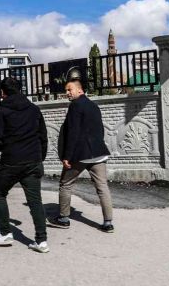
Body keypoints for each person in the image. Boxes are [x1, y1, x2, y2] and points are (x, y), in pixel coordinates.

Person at [0, 77, 50, 253]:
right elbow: (43, 136)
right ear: (20, 90)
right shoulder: (34, 109)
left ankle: (5, 233)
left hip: (11, 162)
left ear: (3, 93)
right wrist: (40, 158)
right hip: (33, 161)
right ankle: (41, 241)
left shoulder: (0, 112)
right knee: (35, 200)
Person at [47, 78, 114, 233]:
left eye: (69, 89)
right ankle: (108, 223)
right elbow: (100, 131)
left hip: (80, 154)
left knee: (65, 184)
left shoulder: (75, 106)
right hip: (98, 153)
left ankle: (63, 219)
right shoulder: (94, 106)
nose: (67, 93)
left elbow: (73, 133)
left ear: (79, 89)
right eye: (66, 90)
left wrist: (67, 156)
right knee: (102, 187)